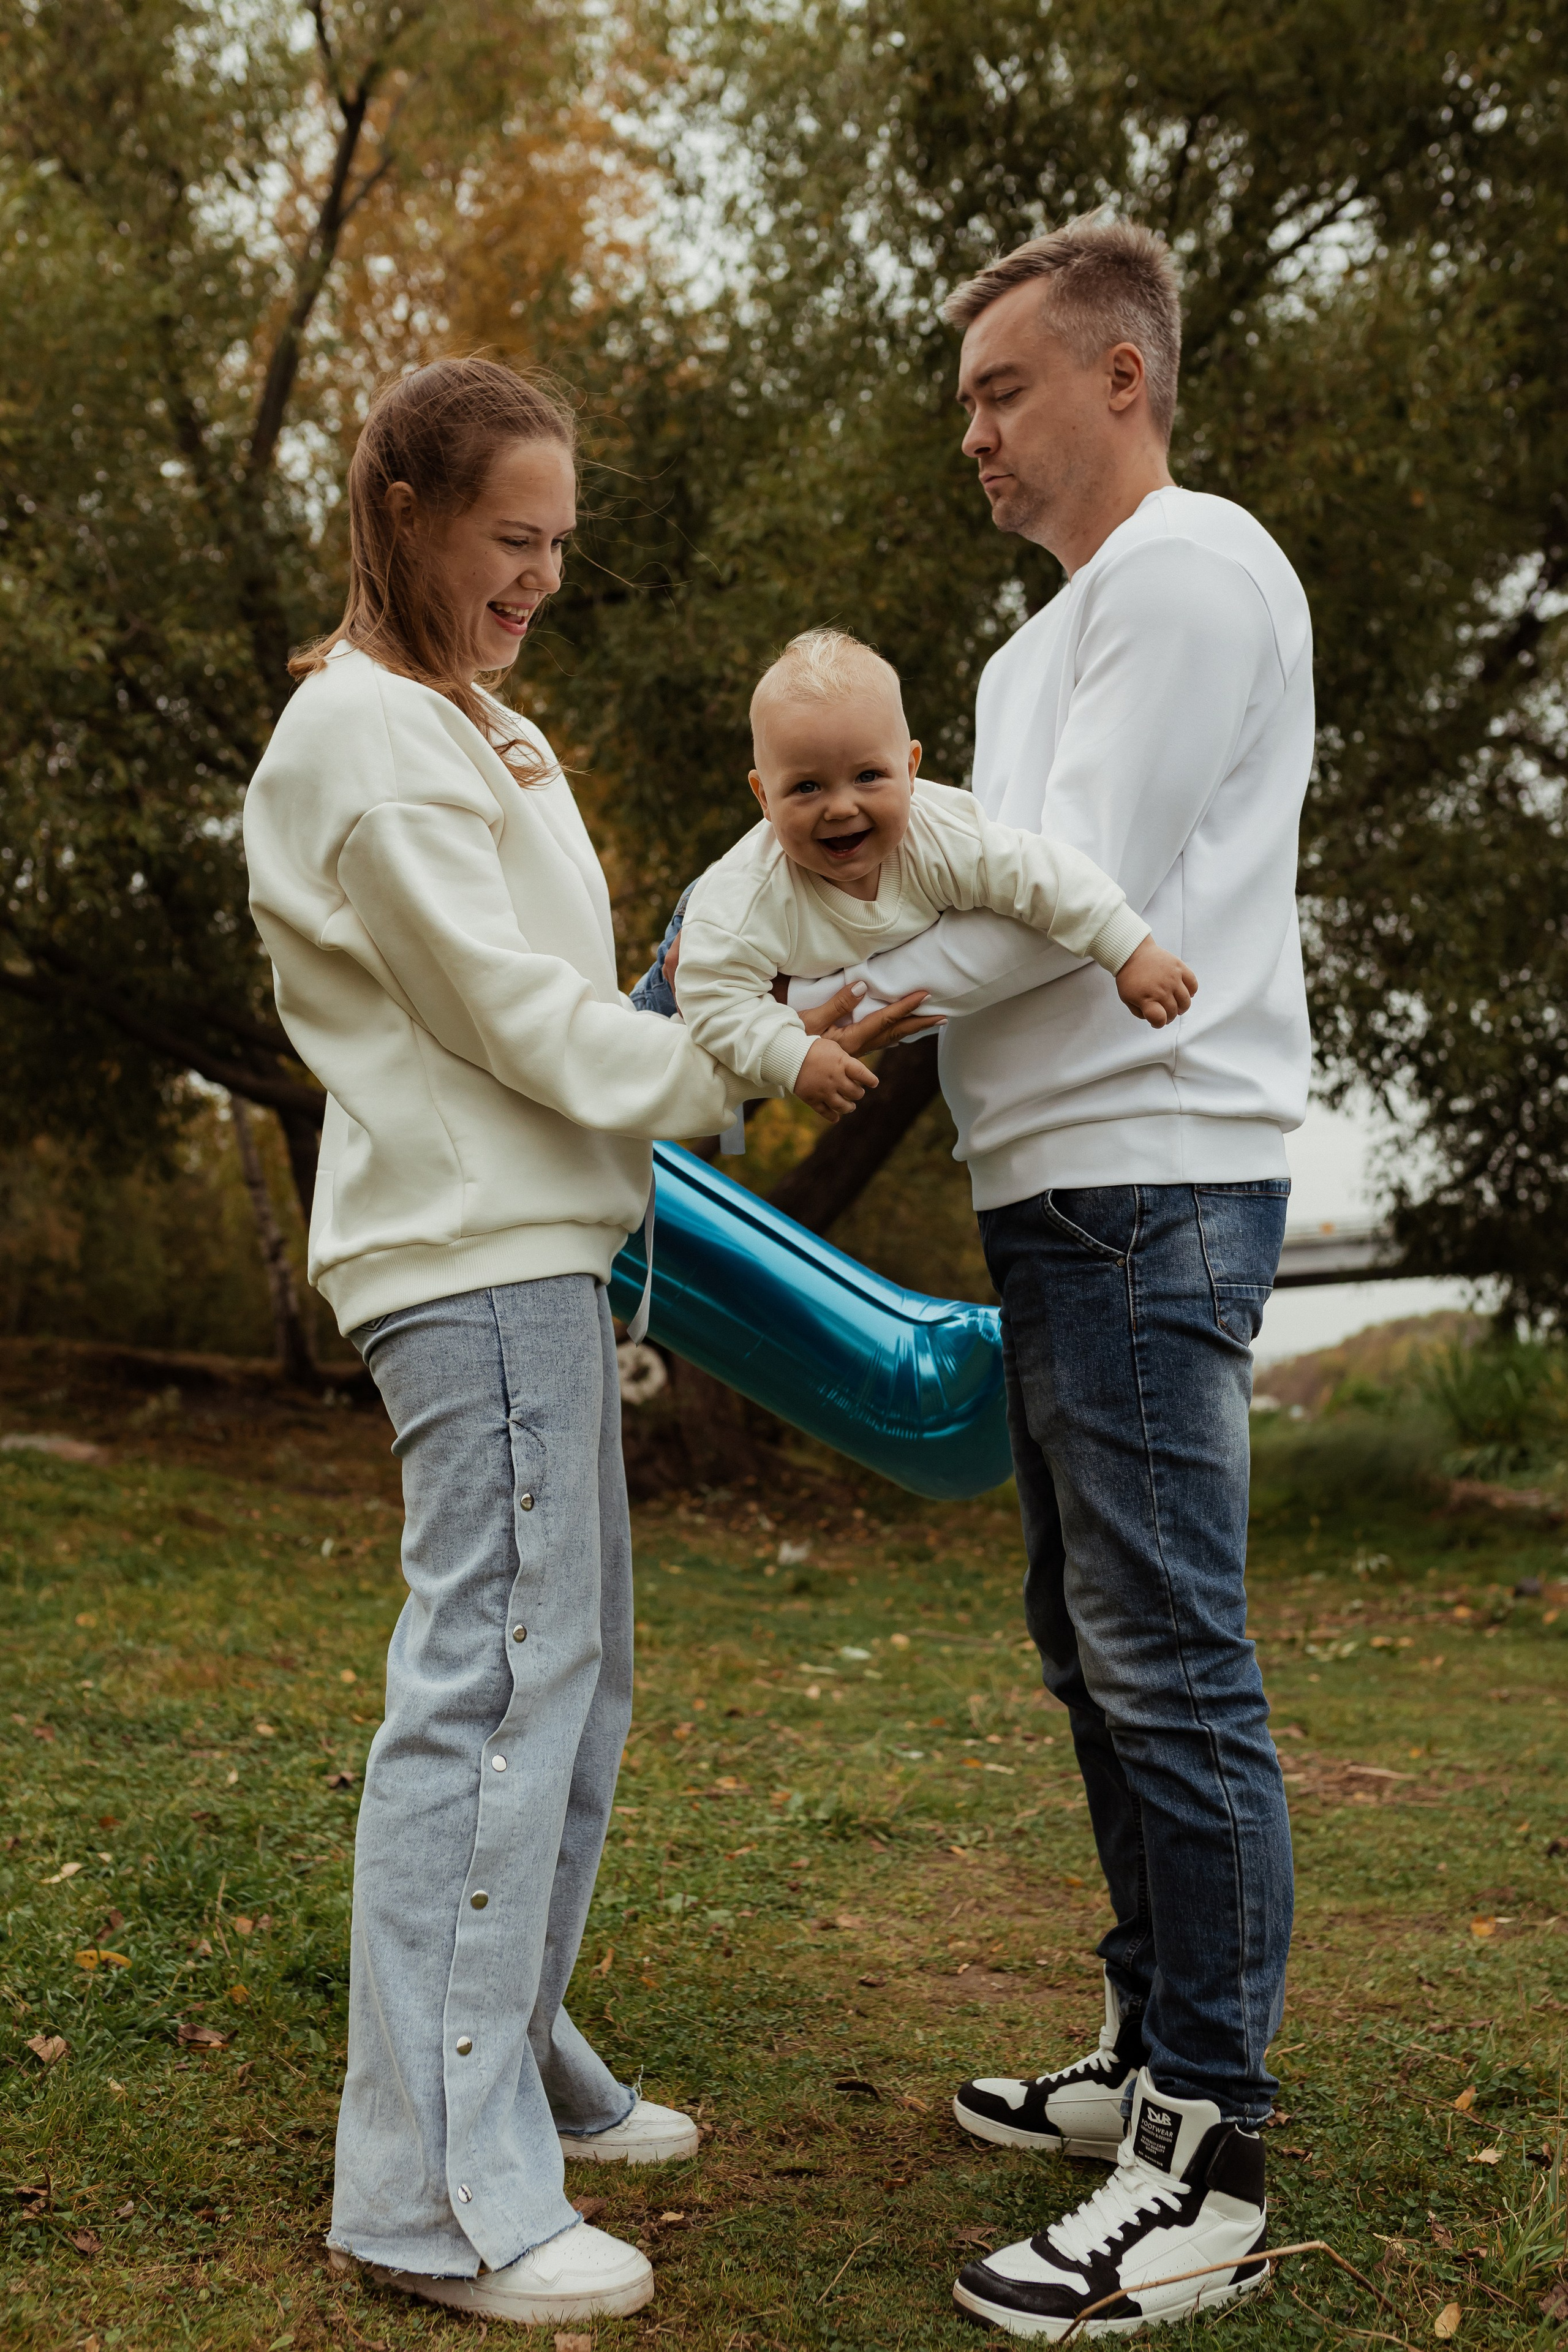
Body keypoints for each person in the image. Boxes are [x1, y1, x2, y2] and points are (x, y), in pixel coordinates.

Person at [241, 356, 921, 2329]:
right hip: (466, 1250)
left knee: (576, 1679)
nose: (541, 574)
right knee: (489, 1693)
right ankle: (431, 2192)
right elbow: (511, 1031)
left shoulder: (483, 726)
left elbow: (579, 985)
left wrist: (756, 983)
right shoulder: (363, 739)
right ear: (406, 515)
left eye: (559, 545)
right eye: (510, 540)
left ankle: (508, 2056)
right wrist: (764, 1069)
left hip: (544, 1243)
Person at [793, 218, 1313, 2337]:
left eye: (1004, 391)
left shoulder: (1190, 568)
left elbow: (1054, 906)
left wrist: (789, 1001)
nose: (977, 437)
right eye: (964, 406)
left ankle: (1210, 2146)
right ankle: (1141, 2056)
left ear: (1121, 377)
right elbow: (987, 892)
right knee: (1093, 1648)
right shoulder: (1042, 647)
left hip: (1152, 1180)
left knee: (1170, 1658)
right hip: (1059, 1191)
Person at [665, 625, 1196, 1126]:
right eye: (807, 787)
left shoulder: (941, 837)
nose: (841, 807)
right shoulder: (748, 899)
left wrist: (1129, 949)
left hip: (775, 975)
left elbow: (1039, 875)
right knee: (652, 1079)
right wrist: (793, 1057)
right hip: (695, 949)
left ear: (912, 768)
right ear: (762, 797)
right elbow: (712, 995)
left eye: (869, 776)